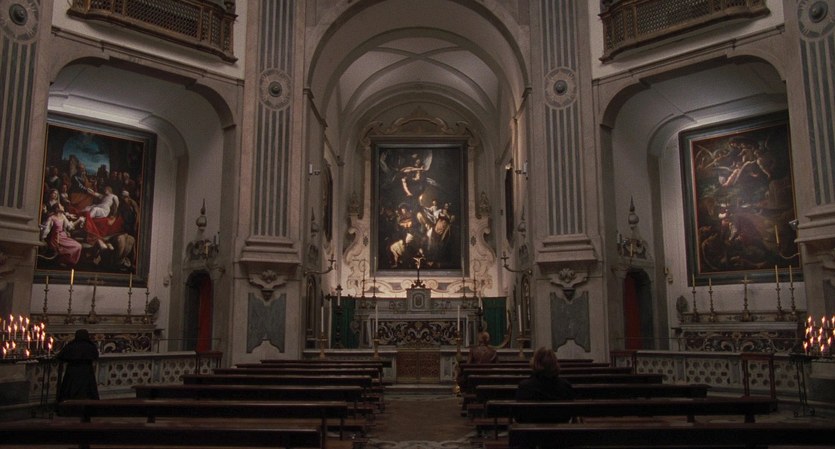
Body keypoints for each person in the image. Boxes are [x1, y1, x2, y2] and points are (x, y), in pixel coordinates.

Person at [514, 347, 575, 423]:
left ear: (535, 363)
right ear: (555, 363)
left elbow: (518, 416)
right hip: (559, 428)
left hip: (530, 429)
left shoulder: (524, 386)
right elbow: (569, 413)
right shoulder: (565, 385)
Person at [56, 329, 100, 402]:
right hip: (87, 372)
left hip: (72, 372)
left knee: (69, 392)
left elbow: (61, 356)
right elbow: (95, 356)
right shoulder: (90, 346)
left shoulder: (71, 345)